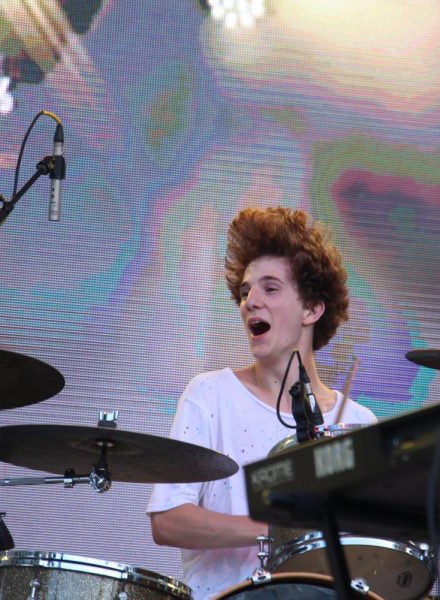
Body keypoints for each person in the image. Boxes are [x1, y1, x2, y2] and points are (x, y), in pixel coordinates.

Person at [147, 206, 377, 599]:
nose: (251, 301)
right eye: (245, 291)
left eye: (270, 288)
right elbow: (168, 520)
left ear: (312, 309)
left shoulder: (357, 420)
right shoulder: (210, 394)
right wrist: (278, 531)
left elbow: (376, 551)